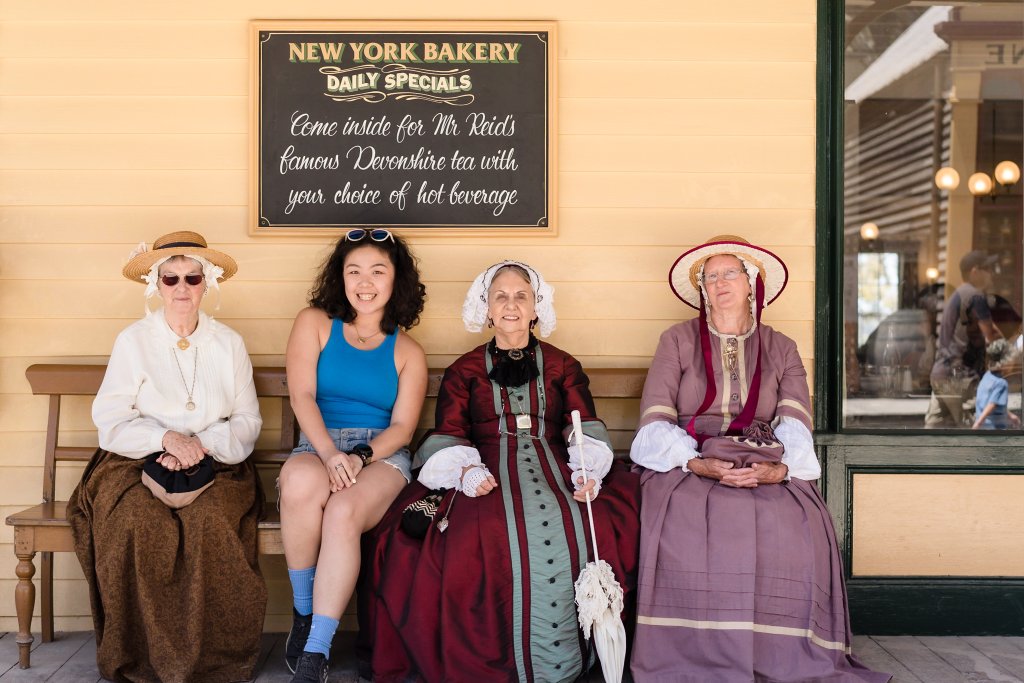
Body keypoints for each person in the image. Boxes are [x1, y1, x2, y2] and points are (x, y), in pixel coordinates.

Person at [363, 261, 641, 683]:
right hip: (486, 468)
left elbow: (583, 426)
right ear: (487, 309)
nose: (511, 305)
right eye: (501, 297)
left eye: (521, 296)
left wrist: (587, 470)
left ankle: (578, 653)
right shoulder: (465, 369)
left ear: (535, 308)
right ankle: (498, 659)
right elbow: (449, 433)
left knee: (607, 522)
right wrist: (466, 471)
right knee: (454, 542)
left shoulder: (563, 365)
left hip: (557, 464)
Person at [629, 235, 889, 682]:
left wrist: (781, 471)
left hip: (766, 461)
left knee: (789, 522)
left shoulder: (782, 346)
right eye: (710, 277)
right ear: (702, 290)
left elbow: (795, 423)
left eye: (730, 273)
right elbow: (654, 420)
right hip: (690, 461)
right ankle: (692, 656)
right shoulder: (675, 341)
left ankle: (778, 655)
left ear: (752, 284)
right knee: (683, 518)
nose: (719, 282)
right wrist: (696, 463)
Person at [67, 230, 265, 683]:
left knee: (211, 522)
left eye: (192, 278)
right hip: (134, 460)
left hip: (218, 461)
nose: (181, 288)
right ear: (156, 284)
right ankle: (142, 657)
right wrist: (165, 441)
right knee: (137, 521)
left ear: (206, 283)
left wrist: (200, 446)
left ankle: (212, 660)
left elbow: (247, 421)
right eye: (170, 278)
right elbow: (112, 421)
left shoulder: (228, 343)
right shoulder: (133, 340)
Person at [278, 228, 427, 683]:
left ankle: (316, 653)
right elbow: (301, 394)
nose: (365, 281)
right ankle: (305, 615)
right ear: (340, 278)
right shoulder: (314, 322)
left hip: (381, 456)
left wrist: (359, 456)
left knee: (343, 510)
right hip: (318, 443)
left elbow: (402, 428)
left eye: (378, 271)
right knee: (302, 484)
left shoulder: (408, 352)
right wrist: (328, 454)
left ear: (395, 280)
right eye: (354, 270)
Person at [925, 250, 1003, 428]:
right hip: (961, 377)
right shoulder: (976, 296)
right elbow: (990, 337)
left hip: (940, 374)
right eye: (988, 269)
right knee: (974, 430)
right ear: (975, 271)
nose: (991, 273)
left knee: (934, 431)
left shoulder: (957, 295)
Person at [972, 339, 1020, 430]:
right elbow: (992, 404)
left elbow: (995, 404)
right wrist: (978, 423)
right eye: (1013, 363)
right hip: (995, 431)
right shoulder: (1001, 383)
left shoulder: (986, 376)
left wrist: (1010, 416)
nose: (1013, 366)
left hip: (983, 428)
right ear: (1006, 363)